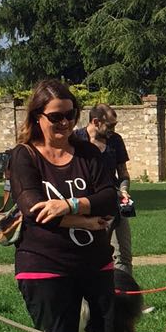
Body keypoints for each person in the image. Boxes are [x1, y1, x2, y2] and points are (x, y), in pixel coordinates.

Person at [7, 81, 122, 332]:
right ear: (37, 117)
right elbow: (33, 210)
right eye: (55, 116)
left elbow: (109, 197)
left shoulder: (88, 153)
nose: (65, 122)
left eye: (70, 115)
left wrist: (68, 205)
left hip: (95, 262)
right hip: (45, 265)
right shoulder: (24, 155)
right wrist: (83, 222)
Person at [73, 102, 133, 269]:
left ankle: (123, 293)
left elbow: (123, 172)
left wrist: (124, 190)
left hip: (115, 202)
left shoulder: (115, 140)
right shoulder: (76, 140)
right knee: (92, 255)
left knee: (123, 256)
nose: (112, 130)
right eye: (110, 125)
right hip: (88, 206)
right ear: (96, 122)